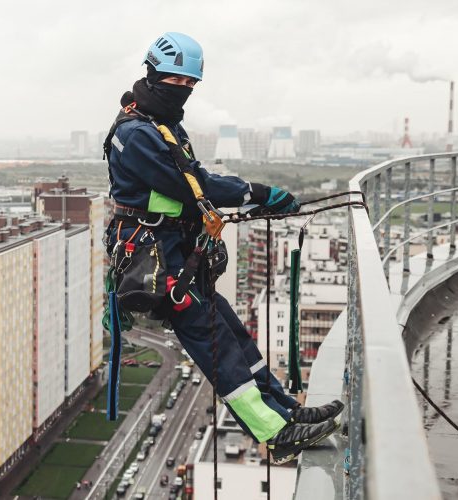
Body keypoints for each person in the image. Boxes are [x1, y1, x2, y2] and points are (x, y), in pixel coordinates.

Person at [103, 32, 343, 464]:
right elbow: (191, 185)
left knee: (233, 333)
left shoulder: (162, 125)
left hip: (176, 249)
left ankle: (287, 410)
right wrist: (256, 193)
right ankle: (276, 434)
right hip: (156, 255)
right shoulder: (136, 134)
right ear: (154, 74)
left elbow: (190, 180)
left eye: (191, 84)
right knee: (215, 345)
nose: (186, 90)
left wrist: (247, 201)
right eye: (179, 81)